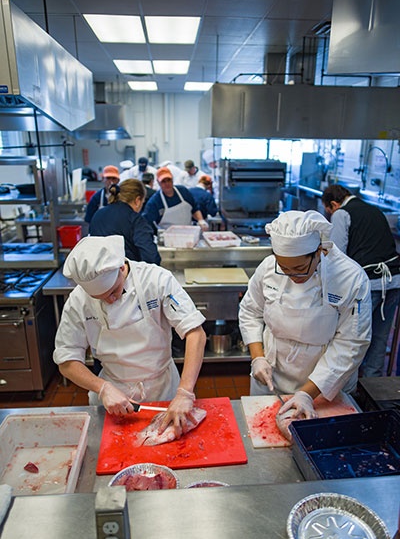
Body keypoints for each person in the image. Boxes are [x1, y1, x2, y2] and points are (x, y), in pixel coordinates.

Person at [53, 235, 206, 434]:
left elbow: (196, 332)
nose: (109, 301)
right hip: (113, 395)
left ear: (121, 268)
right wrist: (102, 388)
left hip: (164, 388)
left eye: (113, 292)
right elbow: (66, 359)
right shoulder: (78, 300)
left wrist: (185, 393)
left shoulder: (157, 280)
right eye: (99, 298)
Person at [238, 210, 371, 429]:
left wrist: (307, 394)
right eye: (284, 269)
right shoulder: (267, 267)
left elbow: (351, 343)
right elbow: (250, 311)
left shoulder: (350, 278)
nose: (292, 276)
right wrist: (257, 358)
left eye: (299, 269)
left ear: (319, 251)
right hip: (273, 377)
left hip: (326, 385)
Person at [322, 184, 400, 377]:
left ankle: (351, 385)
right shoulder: (374, 209)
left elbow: (336, 255)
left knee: (354, 337)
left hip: (369, 283)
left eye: (328, 210)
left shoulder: (342, 214)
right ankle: (372, 384)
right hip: (394, 280)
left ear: (333, 204)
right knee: (380, 336)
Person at [89, 178, 161, 265]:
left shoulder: (98, 214)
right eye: (142, 202)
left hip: (98, 273)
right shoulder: (136, 220)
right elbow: (150, 257)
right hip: (125, 275)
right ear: (137, 201)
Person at [142, 166, 209, 232]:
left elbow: (195, 209)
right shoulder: (155, 202)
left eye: (169, 180)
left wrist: (201, 220)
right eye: (163, 181)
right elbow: (146, 222)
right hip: (168, 239)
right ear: (158, 183)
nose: (167, 183)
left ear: (172, 179)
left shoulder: (183, 191)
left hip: (189, 234)